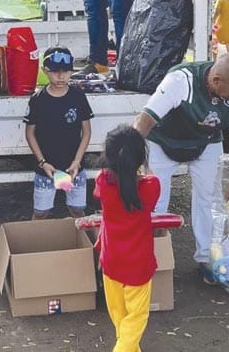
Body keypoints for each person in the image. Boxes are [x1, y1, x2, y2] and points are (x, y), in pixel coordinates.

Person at [133, 52, 229, 283]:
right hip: (163, 142)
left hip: (206, 142)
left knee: (209, 200)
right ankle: (152, 254)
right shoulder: (181, 81)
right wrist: (130, 159)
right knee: (155, 200)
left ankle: (206, 258)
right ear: (216, 80)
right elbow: (144, 120)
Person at [94, 125, 161, 352]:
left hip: (111, 262)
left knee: (121, 319)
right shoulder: (151, 187)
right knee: (135, 319)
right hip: (138, 266)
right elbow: (147, 182)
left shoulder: (103, 183)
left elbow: (110, 179)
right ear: (141, 158)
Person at [24, 46, 93, 220]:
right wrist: (42, 162)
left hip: (74, 168)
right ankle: (34, 244)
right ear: (44, 71)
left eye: (66, 71)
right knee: (41, 212)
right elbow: (30, 133)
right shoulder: (38, 100)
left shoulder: (78, 97)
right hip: (46, 169)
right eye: (55, 72)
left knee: (77, 210)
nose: (61, 77)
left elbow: (86, 131)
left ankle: (84, 244)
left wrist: (77, 161)